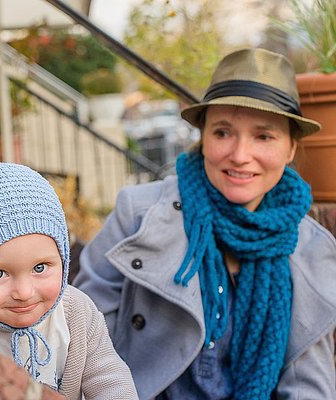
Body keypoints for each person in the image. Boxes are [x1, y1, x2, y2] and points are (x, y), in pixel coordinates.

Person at [74, 48, 336, 399]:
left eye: (264, 136)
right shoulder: (138, 213)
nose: (240, 155)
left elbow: (308, 383)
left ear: (291, 149)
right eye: (223, 132)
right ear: (203, 138)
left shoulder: (310, 247)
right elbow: (86, 333)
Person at [0, 163, 138, 400]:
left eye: (39, 268)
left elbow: (109, 380)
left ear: (62, 259)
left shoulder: (75, 311)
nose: (24, 293)